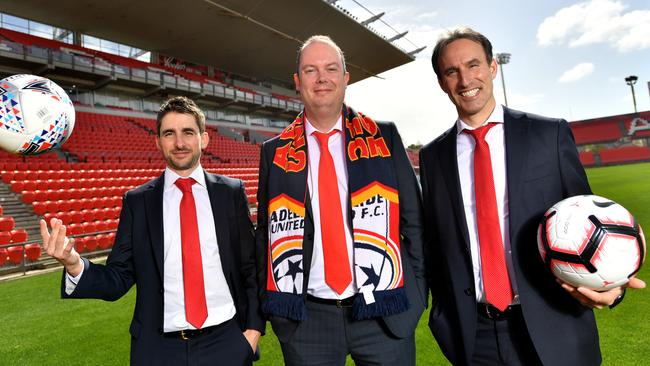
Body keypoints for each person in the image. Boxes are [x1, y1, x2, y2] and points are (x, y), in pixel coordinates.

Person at [419, 27, 646, 366]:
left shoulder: (548, 134)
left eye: (474, 65)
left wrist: (610, 289)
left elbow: (590, 219)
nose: (465, 79)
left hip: (553, 324)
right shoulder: (433, 156)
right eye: (452, 71)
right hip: (474, 336)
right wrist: (442, 316)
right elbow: (437, 244)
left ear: (493, 67)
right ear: (442, 82)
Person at [40, 96, 264, 366]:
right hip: (157, 351)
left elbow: (250, 268)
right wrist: (74, 263)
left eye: (188, 132)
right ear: (157, 141)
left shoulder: (230, 192)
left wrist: (252, 333)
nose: (179, 143)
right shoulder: (138, 201)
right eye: (169, 133)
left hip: (226, 343)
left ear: (204, 139)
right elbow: (119, 277)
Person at [255, 35, 427, 366]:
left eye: (331, 69)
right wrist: (272, 304)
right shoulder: (274, 152)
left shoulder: (385, 136)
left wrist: (416, 292)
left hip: (383, 314)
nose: (322, 78)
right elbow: (264, 233)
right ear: (297, 81)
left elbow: (415, 223)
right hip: (308, 320)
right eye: (310, 70)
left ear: (346, 78)